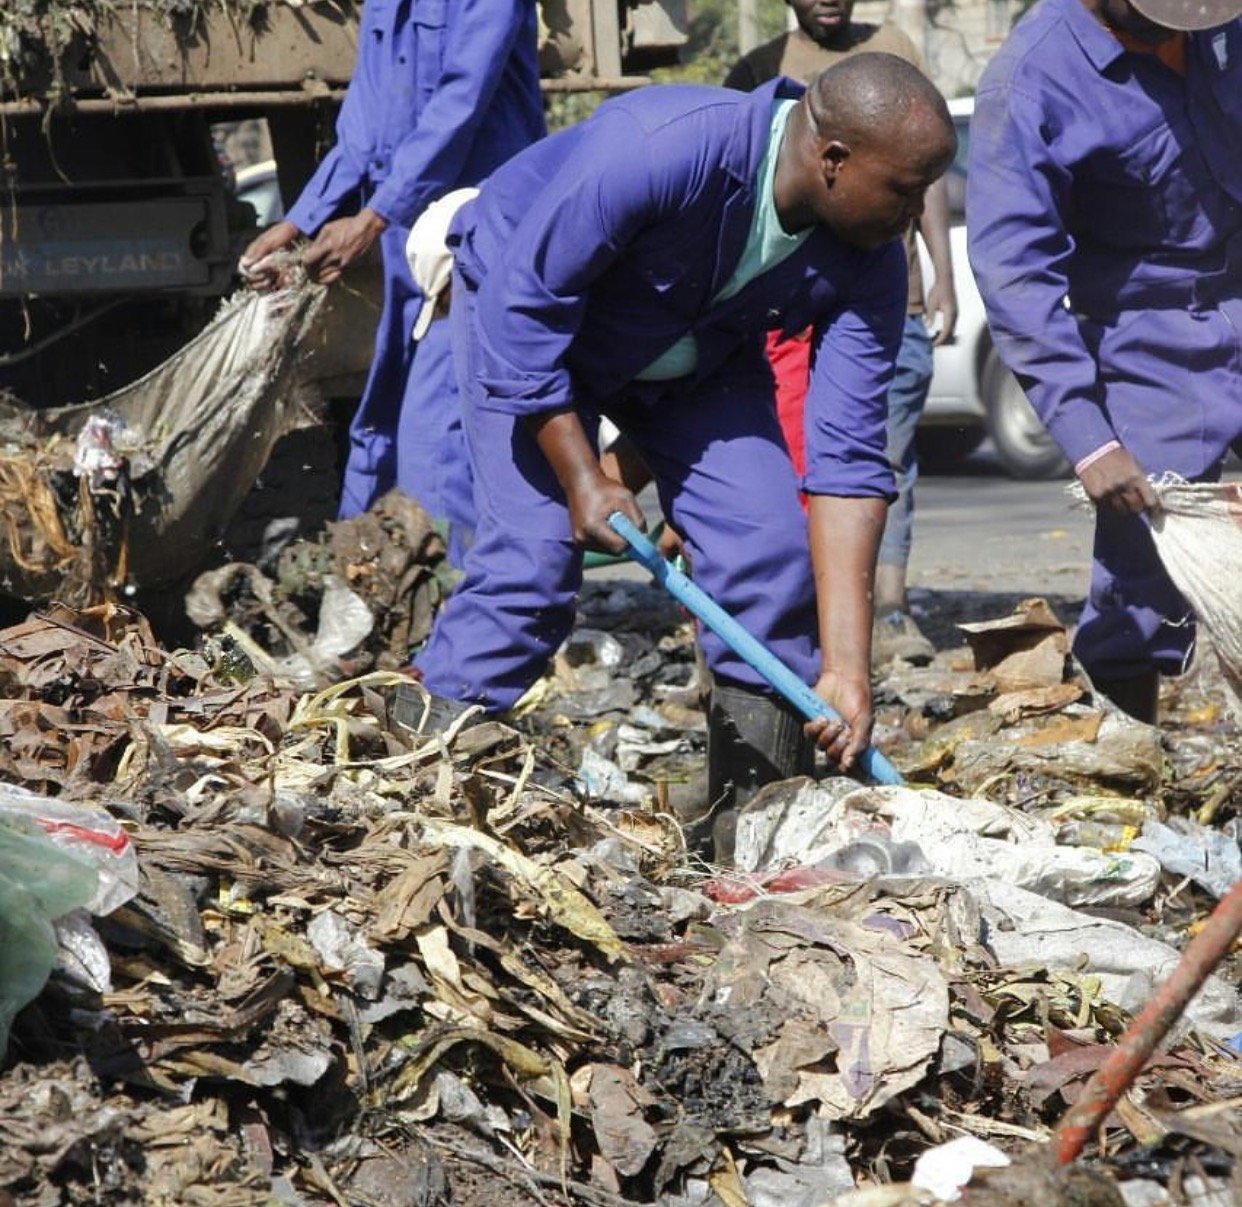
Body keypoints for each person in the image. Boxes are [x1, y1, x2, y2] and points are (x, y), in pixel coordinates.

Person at [397, 55, 956, 856]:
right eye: (904, 189)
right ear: (832, 159)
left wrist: (846, 666)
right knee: (532, 564)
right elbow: (526, 309)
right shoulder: (664, 146)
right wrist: (584, 478)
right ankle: (417, 781)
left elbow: (847, 463)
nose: (914, 214)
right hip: (529, 323)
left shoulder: (865, 260)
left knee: (767, 552)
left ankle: (752, 827)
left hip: (692, 358)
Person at [966, 0, 1242, 723]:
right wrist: (1092, 439)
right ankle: (1134, 758)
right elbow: (1016, 277)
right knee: (1140, 576)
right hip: (1146, 332)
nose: (1188, 29)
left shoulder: (1222, 24)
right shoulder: (1030, 79)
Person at [241, 0, 545, 566]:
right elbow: (365, 120)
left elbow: (459, 103)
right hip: (410, 245)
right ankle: (366, 594)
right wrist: (300, 220)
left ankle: (451, 619)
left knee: (441, 440)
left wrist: (373, 216)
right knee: (378, 427)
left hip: (475, 242)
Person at [726, 0, 958, 667]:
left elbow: (928, 177)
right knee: (780, 471)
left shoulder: (894, 47)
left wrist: (942, 270)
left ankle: (888, 607)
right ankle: (775, 633)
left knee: (881, 457)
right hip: (789, 310)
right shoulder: (761, 69)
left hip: (888, 295)